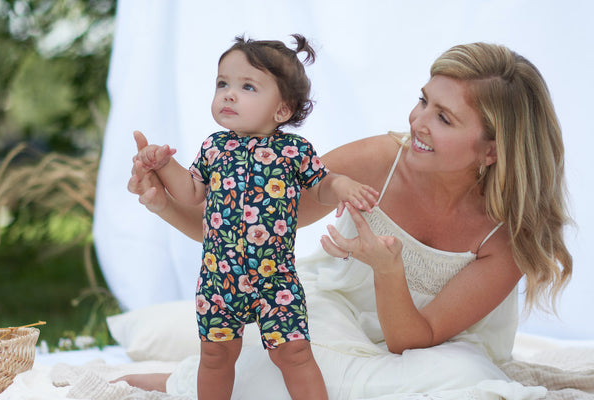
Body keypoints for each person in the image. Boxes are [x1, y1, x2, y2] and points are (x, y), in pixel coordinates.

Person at [120, 42, 572, 399]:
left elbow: (412, 341)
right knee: (291, 348)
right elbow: (240, 233)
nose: (418, 122)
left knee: (465, 377)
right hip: (337, 319)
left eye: (444, 118)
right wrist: (163, 203)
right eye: (423, 100)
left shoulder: (509, 238)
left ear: (492, 151)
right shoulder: (378, 159)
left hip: (429, 348)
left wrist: (387, 269)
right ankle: (183, 381)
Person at [129, 34, 379, 400]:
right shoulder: (214, 148)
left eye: (247, 86)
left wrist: (338, 184)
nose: (228, 93)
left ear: (282, 110)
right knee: (215, 355)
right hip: (219, 276)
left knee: (294, 351)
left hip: (275, 278)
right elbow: (191, 192)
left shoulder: (294, 150)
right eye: (222, 83)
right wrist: (164, 165)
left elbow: (320, 187)